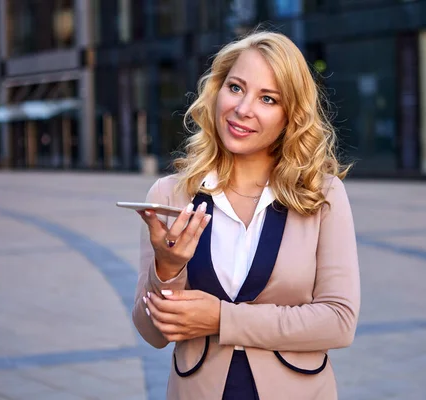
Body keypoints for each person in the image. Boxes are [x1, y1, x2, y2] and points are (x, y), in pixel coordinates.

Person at [132, 30, 360, 400]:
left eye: (267, 98)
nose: (242, 109)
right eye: (236, 88)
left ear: (290, 116)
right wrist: (167, 269)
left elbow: (339, 321)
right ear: (217, 90)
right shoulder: (169, 194)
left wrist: (223, 319)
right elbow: (152, 333)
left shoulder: (322, 194)